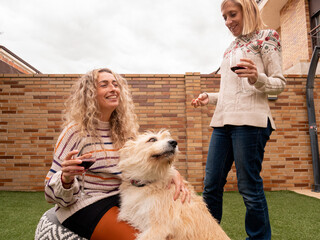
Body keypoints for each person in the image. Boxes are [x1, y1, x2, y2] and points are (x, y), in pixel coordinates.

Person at [45, 68, 189, 240]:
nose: (113, 89)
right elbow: (49, 191)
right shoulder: (75, 131)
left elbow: (144, 162)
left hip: (121, 197)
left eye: (115, 84)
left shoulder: (125, 131)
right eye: (104, 85)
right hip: (86, 204)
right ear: (90, 93)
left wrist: (174, 173)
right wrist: (66, 178)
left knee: (170, 233)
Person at [191, 0, 286, 239]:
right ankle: (208, 235)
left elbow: (279, 84)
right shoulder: (230, 48)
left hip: (251, 123)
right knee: (211, 185)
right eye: (224, 17)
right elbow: (229, 91)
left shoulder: (267, 37)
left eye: (232, 14)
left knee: (249, 187)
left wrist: (257, 77)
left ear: (248, 10)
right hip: (222, 122)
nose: (228, 22)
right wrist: (208, 97)